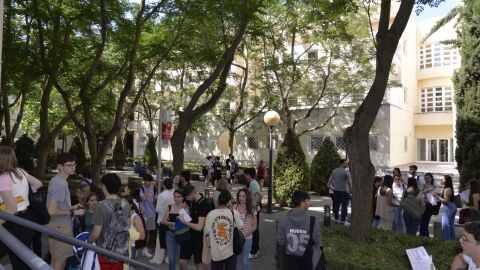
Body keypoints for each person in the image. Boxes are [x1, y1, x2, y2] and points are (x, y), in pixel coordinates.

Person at [0, 146, 43, 270]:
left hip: (14, 222)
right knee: (20, 258)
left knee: (19, 260)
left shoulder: (3, 179)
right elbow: (38, 183)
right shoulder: (20, 172)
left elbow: (11, 210)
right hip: (26, 218)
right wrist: (22, 195)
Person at [46, 152, 85, 270]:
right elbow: (51, 210)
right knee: (60, 262)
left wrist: (72, 207)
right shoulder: (60, 184)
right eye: (69, 165)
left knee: (56, 260)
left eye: (74, 164)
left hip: (58, 225)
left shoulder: (59, 180)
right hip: (60, 227)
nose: (73, 167)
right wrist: (73, 212)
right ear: (59, 166)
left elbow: (56, 206)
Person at [88, 173, 131, 270]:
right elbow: (128, 226)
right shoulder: (126, 203)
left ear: (105, 187)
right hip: (120, 253)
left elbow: (96, 233)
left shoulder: (101, 205)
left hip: (104, 253)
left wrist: (87, 241)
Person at [277, 191, 323, 270]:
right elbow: (318, 242)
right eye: (308, 201)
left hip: (289, 261)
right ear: (303, 203)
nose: (309, 203)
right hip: (307, 261)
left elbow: (281, 241)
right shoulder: (312, 220)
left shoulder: (283, 219)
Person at [205, 190, 243, 270]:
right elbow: (240, 226)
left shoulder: (210, 214)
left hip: (215, 253)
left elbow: (206, 232)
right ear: (229, 201)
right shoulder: (233, 213)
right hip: (230, 252)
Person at [178, 184, 211, 270]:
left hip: (198, 238)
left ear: (193, 193)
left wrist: (184, 221)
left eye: (187, 196)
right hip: (188, 235)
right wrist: (184, 212)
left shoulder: (204, 204)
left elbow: (199, 227)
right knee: (182, 261)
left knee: (198, 263)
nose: (186, 199)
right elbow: (183, 205)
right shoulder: (191, 200)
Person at [163, 189, 188, 270]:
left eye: (178, 196)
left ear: (182, 198)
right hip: (170, 234)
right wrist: (173, 223)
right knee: (171, 257)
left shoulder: (185, 208)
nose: (176, 198)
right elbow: (164, 221)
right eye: (175, 196)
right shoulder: (169, 206)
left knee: (181, 258)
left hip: (180, 234)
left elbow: (187, 223)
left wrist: (175, 223)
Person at [151, 178, 174, 264]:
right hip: (171, 219)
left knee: (160, 240)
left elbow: (157, 209)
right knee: (170, 240)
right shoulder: (173, 193)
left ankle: (158, 259)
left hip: (161, 219)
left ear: (164, 185)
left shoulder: (161, 195)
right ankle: (168, 258)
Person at [234, 188, 257, 270]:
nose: (241, 198)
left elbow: (254, 226)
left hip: (247, 238)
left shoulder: (252, 208)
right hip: (237, 239)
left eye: (243, 196)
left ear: (247, 197)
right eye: (240, 196)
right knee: (235, 259)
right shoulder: (234, 208)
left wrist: (244, 234)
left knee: (245, 260)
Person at [327, 159, 352, 225]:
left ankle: (336, 219)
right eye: (346, 163)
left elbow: (328, 184)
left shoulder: (334, 171)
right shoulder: (346, 172)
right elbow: (349, 183)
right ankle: (343, 221)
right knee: (344, 207)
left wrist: (334, 189)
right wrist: (351, 191)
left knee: (336, 206)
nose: (347, 164)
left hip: (336, 192)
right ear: (342, 163)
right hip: (344, 192)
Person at [244, 167, 262, 258]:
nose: (244, 175)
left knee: (254, 230)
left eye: (246, 174)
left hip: (254, 209)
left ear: (249, 175)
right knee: (255, 229)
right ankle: (256, 249)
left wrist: (255, 205)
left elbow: (260, 195)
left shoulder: (253, 183)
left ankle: (254, 251)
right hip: (254, 209)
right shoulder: (252, 183)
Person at [139, 173, 157, 257]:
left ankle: (145, 248)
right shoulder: (141, 188)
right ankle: (139, 247)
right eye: (146, 181)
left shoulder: (155, 189)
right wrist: (150, 189)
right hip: (142, 214)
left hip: (151, 213)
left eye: (150, 181)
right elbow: (144, 199)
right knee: (140, 231)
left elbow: (155, 200)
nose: (148, 183)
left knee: (148, 231)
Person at [434, 175, 457, 241]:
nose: (441, 180)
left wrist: (436, 196)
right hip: (452, 206)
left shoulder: (447, 189)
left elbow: (446, 201)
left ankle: (447, 241)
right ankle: (453, 241)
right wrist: (438, 195)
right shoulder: (449, 188)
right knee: (450, 225)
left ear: (446, 181)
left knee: (445, 226)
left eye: (442, 179)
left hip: (448, 207)